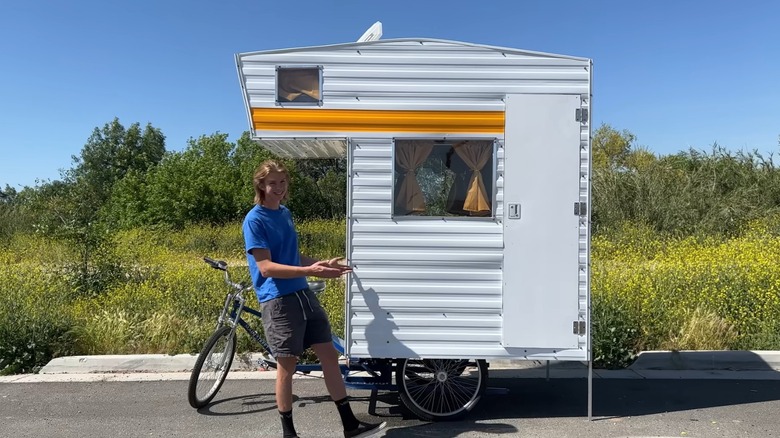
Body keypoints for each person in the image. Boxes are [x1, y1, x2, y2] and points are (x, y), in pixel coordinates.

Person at [242, 160, 386, 438]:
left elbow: (292, 256)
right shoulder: (254, 219)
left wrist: (322, 265)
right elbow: (266, 267)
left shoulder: (284, 213)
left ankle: (350, 426)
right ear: (261, 184)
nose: (279, 188)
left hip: (302, 294)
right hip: (278, 300)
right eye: (273, 183)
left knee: (329, 356)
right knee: (287, 365)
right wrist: (310, 271)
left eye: (283, 182)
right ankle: (289, 433)